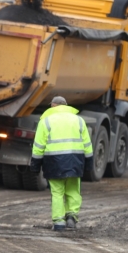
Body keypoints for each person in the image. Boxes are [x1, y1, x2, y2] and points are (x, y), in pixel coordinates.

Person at [29, 96, 93, 231]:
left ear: (53, 106)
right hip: (75, 161)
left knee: (57, 192)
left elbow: (38, 146)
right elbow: (87, 144)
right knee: (73, 190)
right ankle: (71, 217)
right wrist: (89, 164)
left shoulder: (45, 121)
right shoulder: (79, 120)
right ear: (66, 105)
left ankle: (59, 222)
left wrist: (35, 165)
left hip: (54, 162)